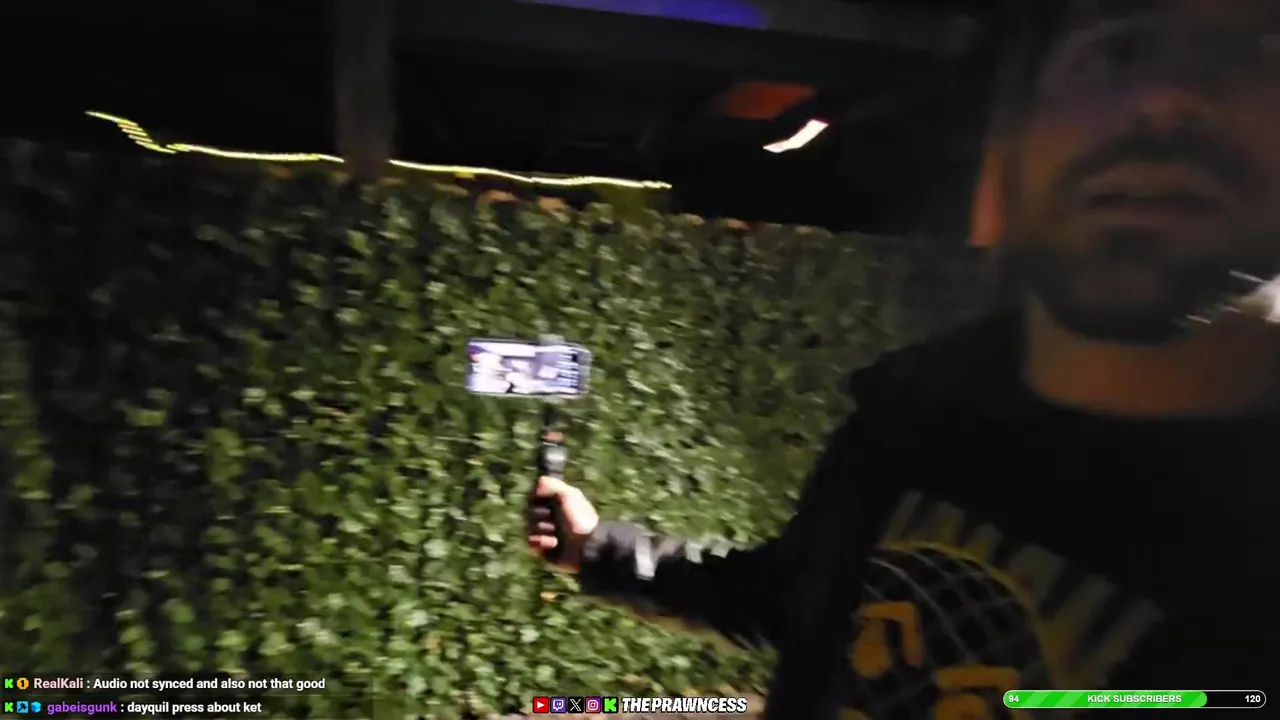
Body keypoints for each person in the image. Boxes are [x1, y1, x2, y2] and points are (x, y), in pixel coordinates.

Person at [527, 1, 1280, 718]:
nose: (1170, 98)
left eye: (1262, 51)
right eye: (1118, 48)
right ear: (1009, 151)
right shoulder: (910, 421)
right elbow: (794, 607)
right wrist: (597, 550)